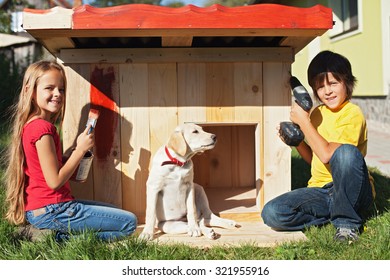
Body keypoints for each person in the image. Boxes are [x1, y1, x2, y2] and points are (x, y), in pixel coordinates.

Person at [4, 60, 137, 242]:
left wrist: (70, 157)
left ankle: (50, 234)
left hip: (46, 209)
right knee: (129, 223)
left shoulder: (33, 126)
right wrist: (79, 150)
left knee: (116, 214)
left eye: (62, 89)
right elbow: (55, 181)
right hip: (54, 210)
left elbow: (47, 173)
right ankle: (56, 239)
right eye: (49, 88)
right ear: (30, 91)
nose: (57, 94)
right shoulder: (42, 129)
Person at [261, 51, 375, 242]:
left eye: (333, 83)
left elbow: (328, 155)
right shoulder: (316, 114)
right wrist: (297, 143)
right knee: (272, 212)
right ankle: (334, 213)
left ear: (347, 83)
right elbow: (315, 159)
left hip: (353, 190)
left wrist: (303, 122)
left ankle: (347, 225)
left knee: (345, 153)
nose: (327, 91)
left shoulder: (352, 113)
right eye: (320, 86)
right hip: (322, 191)